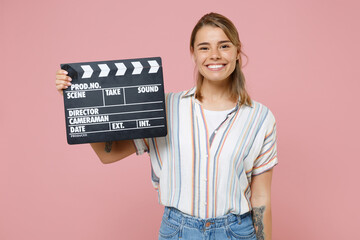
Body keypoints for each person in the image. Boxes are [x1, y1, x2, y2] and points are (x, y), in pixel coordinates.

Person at [55, 12, 278, 240]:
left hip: (236, 232)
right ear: (193, 53)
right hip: (179, 231)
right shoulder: (165, 108)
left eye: (224, 46)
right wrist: (79, 102)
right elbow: (107, 154)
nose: (214, 55)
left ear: (237, 52)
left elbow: (261, 199)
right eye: (204, 47)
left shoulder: (260, 118)